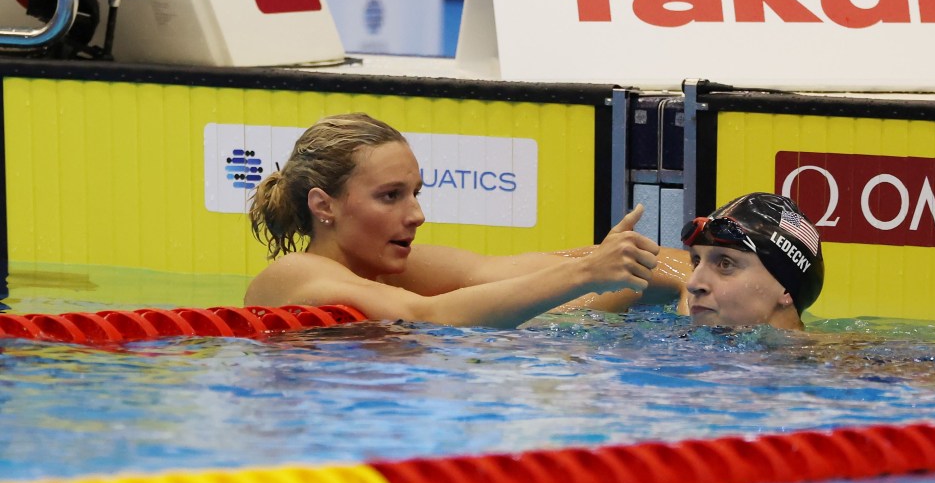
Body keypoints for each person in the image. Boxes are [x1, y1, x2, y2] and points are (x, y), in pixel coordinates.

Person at [244, 113, 689, 329]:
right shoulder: (294, 277)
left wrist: (680, 273)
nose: (416, 215)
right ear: (325, 206)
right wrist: (587, 275)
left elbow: (506, 275)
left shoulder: (388, 270)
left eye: (414, 194)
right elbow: (429, 317)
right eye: (390, 196)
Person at [680, 192, 824, 330]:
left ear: (786, 290)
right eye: (696, 262)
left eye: (725, 264)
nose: (692, 284)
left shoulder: (831, 353)